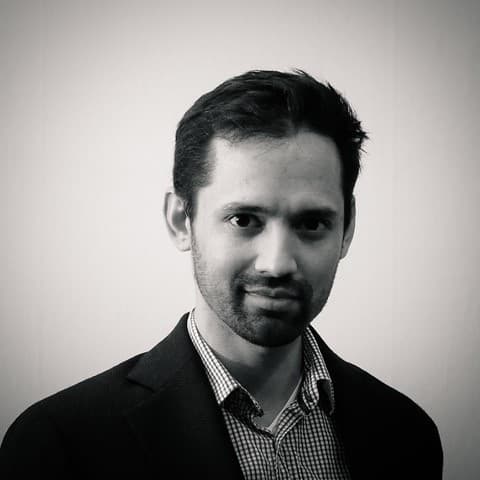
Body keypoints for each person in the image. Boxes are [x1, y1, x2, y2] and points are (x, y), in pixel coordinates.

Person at [0, 70, 443, 479]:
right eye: (243, 220)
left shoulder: (406, 433)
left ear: (346, 229)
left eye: (311, 223)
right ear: (181, 220)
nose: (277, 263)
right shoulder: (60, 445)